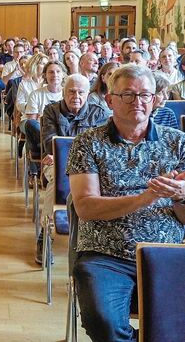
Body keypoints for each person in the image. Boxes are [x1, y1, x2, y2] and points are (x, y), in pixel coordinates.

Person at [67, 65, 185, 342]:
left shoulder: (178, 143)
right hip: (106, 254)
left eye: (146, 95)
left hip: (170, 252)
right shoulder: (88, 143)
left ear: (155, 99)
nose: (139, 102)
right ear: (110, 100)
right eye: (129, 95)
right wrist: (145, 198)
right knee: (104, 322)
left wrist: (180, 195)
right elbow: (86, 207)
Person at [35, 74, 110, 264]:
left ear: (87, 93)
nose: (76, 96)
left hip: (90, 167)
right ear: (63, 92)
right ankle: (46, 233)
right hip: (57, 164)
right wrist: (63, 156)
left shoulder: (98, 112)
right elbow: (49, 144)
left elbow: (101, 147)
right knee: (58, 180)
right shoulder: (51, 110)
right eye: (71, 91)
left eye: (80, 92)